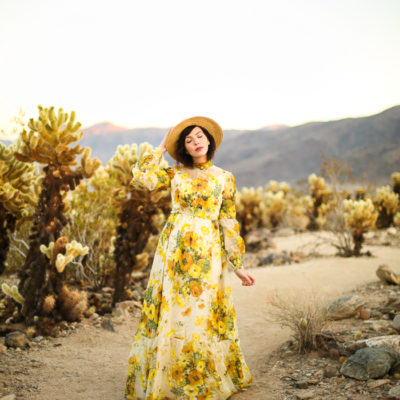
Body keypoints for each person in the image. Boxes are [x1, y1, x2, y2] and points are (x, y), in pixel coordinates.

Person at [125, 116, 255, 400]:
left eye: (199, 136)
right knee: (172, 308)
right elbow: (142, 178)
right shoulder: (175, 174)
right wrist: (159, 148)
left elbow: (229, 221)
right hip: (174, 249)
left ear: (209, 140)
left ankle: (200, 375)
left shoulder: (225, 178)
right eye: (188, 139)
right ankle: (167, 378)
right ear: (184, 147)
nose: (196, 142)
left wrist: (237, 265)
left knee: (201, 309)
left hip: (207, 250)